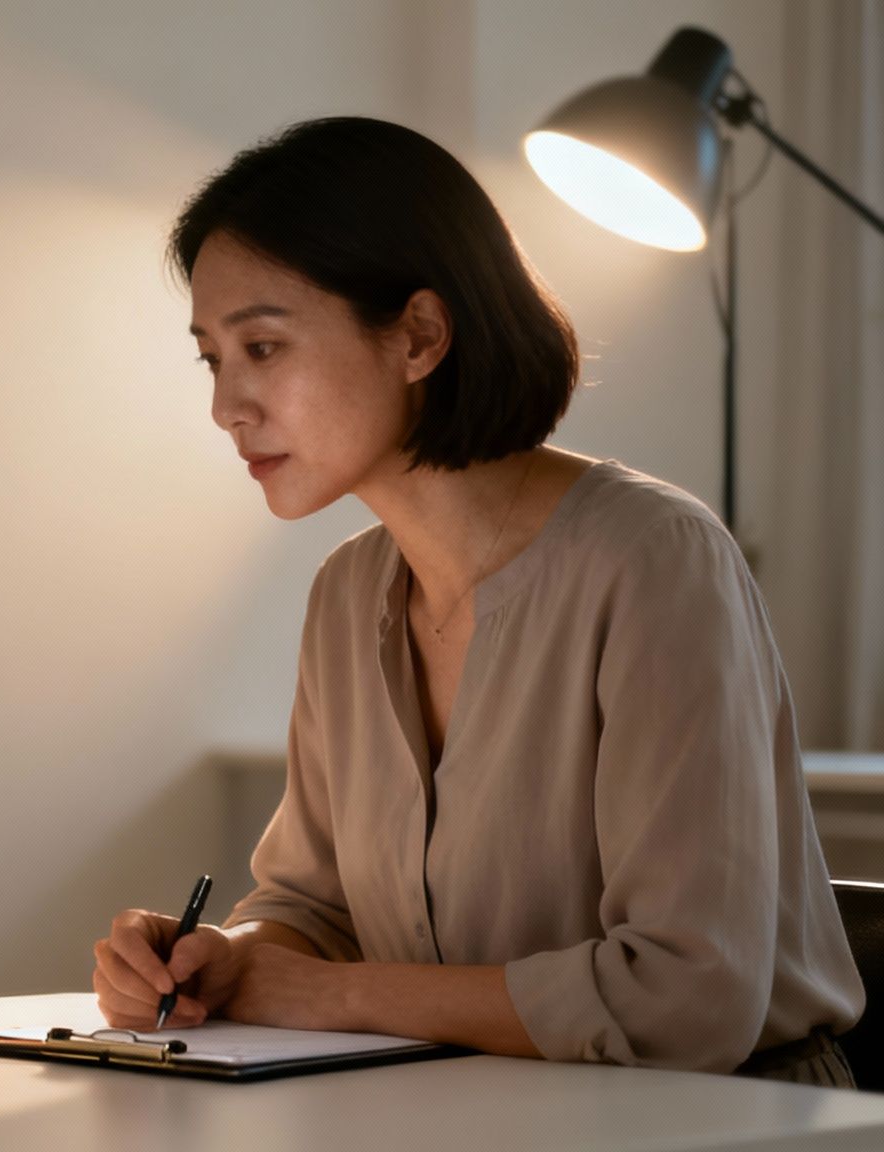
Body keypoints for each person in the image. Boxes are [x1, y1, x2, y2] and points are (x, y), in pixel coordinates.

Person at [92, 117, 865, 1085]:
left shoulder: (654, 560)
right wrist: (218, 961)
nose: (225, 406)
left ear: (418, 336)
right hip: (459, 1108)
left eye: (262, 346)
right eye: (212, 357)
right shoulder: (346, 595)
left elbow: (685, 999)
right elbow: (312, 909)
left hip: (718, 1121)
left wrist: (311, 993)